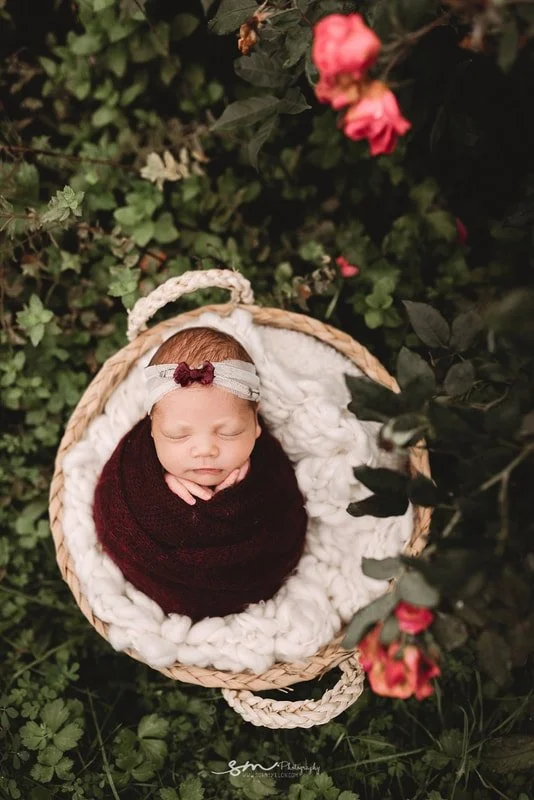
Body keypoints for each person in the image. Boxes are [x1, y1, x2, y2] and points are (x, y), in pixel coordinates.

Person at [144, 326, 262, 505]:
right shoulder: (133, 471)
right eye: (177, 435)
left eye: (229, 432)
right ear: (152, 428)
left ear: (255, 421)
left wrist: (234, 502)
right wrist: (157, 487)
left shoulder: (271, 472)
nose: (205, 450)